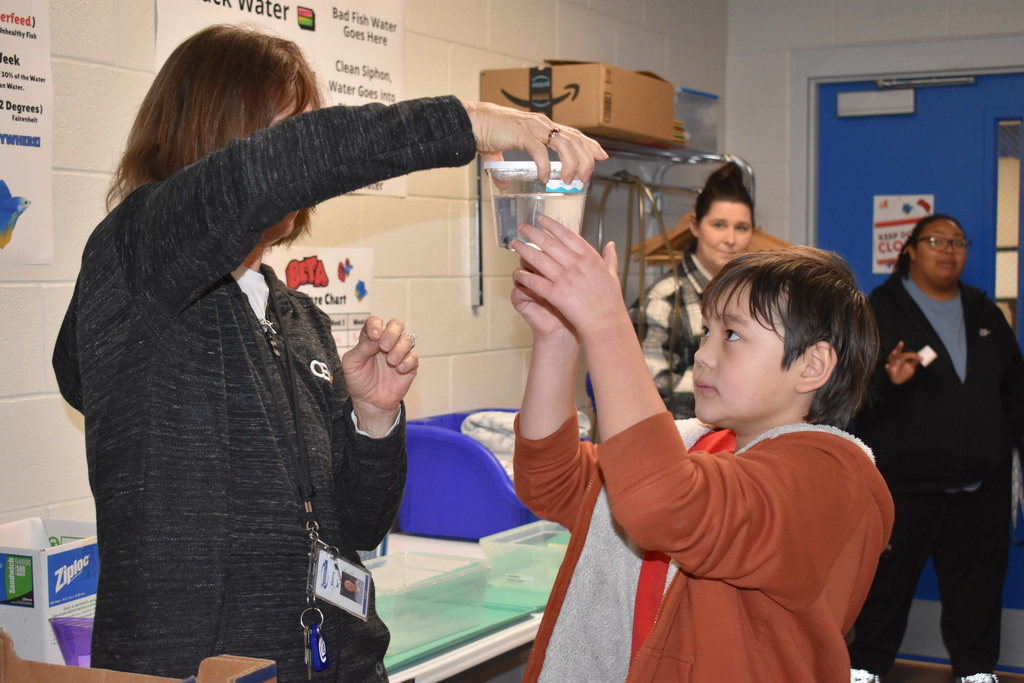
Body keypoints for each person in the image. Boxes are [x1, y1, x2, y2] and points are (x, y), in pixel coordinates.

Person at [50, 24, 607, 682]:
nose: (300, 165)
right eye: (282, 133)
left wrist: (372, 421)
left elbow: (360, 528)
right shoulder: (135, 257)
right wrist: (471, 122)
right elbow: (261, 175)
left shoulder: (297, 318)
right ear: (210, 137)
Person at [509, 219, 894, 682]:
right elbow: (552, 482)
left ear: (812, 365)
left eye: (731, 335)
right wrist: (558, 339)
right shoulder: (704, 447)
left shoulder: (831, 478)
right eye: (706, 331)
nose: (702, 355)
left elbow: (662, 501)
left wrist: (607, 324)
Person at [848, 214, 1024, 683]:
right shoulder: (879, 310)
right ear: (909, 250)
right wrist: (888, 381)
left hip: (979, 485)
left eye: (958, 243)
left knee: (978, 591)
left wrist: (1002, 442)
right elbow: (851, 396)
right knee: (884, 589)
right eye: (936, 241)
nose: (949, 251)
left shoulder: (984, 312)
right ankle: (863, 671)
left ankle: (976, 672)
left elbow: (1014, 388)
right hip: (906, 486)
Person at [629, 161, 755, 418]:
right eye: (719, 225)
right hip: (677, 438)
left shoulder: (753, 300)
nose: (730, 240)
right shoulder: (664, 300)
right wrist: (736, 389)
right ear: (695, 225)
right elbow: (652, 395)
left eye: (741, 228)